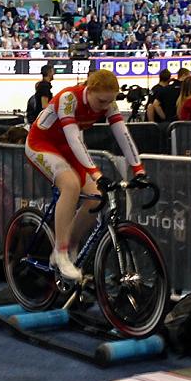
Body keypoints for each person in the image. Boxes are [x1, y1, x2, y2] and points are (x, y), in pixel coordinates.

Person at [25, 69, 149, 282]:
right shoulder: (68, 98)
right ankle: (60, 252)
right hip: (41, 144)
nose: (104, 107)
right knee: (70, 185)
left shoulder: (107, 103)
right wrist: (96, 173)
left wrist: (139, 169)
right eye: (100, 101)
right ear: (88, 90)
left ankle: (71, 245)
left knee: (97, 198)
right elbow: (74, 139)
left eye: (109, 102)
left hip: (67, 150)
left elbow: (123, 134)